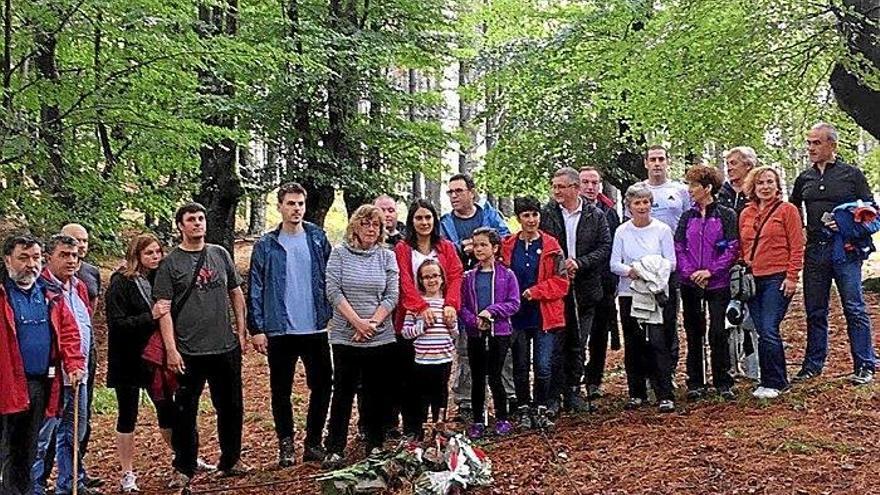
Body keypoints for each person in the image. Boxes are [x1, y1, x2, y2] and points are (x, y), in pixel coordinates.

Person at [154, 202, 249, 488]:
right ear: (180, 226)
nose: (197, 223)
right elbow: (163, 309)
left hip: (225, 346)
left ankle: (231, 459)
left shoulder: (219, 254)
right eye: (191, 220)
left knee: (231, 406)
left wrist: (241, 329)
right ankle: (184, 466)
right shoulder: (171, 263)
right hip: (188, 351)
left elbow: (235, 292)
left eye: (201, 218)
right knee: (185, 411)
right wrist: (171, 349)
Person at [248, 182, 333, 467]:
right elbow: (256, 286)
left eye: (300, 204)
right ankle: (285, 444)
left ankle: (313, 442)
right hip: (280, 328)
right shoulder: (266, 245)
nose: (296, 209)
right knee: (281, 390)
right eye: (290, 204)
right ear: (280, 206)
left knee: (323, 385)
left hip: (315, 327)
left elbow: (332, 277)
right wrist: (257, 328)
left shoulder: (317, 238)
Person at [789, 122, 876, 385]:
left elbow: (872, 210)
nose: (810, 148)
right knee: (815, 310)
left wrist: (849, 224)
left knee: (854, 307)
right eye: (809, 142)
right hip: (815, 251)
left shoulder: (851, 175)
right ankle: (812, 365)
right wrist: (800, 229)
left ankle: (865, 364)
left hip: (845, 250)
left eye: (816, 142)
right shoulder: (804, 178)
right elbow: (793, 208)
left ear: (832, 145)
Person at [0, 235, 84, 495]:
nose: (31, 264)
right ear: (7, 260)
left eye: (35, 258)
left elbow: (69, 332)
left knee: (27, 446)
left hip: (38, 383)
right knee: (5, 446)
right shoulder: (3, 293)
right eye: (23, 258)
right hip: (5, 382)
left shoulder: (49, 294)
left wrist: (74, 363)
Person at [323, 205, 399, 468]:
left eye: (376, 225)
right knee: (343, 392)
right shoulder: (339, 254)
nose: (371, 229)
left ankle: (375, 443)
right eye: (366, 223)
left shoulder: (387, 256)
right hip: (346, 336)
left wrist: (372, 324)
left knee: (376, 391)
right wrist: (357, 323)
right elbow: (333, 291)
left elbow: (392, 295)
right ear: (355, 226)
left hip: (380, 336)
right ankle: (335, 447)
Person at [438, 173, 513, 421]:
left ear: (472, 192)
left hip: (495, 297)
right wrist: (461, 247)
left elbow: (505, 239)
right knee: (466, 352)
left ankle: (506, 401)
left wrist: (480, 246)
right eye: (450, 192)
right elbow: (441, 251)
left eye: (459, 191)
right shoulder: (445, 223)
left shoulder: (490, 215)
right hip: (463, 291)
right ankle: (466, 402)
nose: (454, 196)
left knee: (501, 358)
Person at [105, 234, 176, 492]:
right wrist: (150, 316)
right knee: (128, 414)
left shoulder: (159, 279)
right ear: (136, 255)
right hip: (127, 359)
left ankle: (180, 457)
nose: (155, 257)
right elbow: (117, 323)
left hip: (155, 358)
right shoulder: (121, 283)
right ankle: (127, 472)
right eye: (149, 253)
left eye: (158, 252)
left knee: (167, 408)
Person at [540, 167, 612, 414]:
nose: (556, 191)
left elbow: (604, 247)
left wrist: (580, 263)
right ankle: (553, 395)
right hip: (555, 291)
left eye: (561, 186)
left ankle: (573, 390)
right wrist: (559, 267)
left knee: (578, 342)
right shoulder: (546, 214)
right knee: (556, 343)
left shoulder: (595, 215)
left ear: (575, 188)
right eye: (554, 186)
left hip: (585, 289)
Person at [393, 199, 463, 438]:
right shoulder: (403, 248)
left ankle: (438, 428)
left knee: (439, 383)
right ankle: (413, 429)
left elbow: (455, 276)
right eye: (419, 218)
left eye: (428, 217)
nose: (424, 222)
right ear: (411, 221)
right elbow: (403, 281)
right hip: (412, 316)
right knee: (411, 380)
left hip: (441, 318)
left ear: (434, 220)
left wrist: (451, 304)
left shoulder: (446, 247)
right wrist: (420, 307)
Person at [32, 235, 95, 495]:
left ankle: (69, 484)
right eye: (64, 255)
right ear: (49, 257)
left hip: (79, 373)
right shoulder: (40, 288)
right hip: (52, 375)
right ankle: (33, 486)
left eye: (74, 255)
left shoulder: (79, 286)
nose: (71, 260)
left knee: (74, 433)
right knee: (41, 436)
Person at [501, 197, 569, 429]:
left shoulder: (552, 246)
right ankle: (523, 408)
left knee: (543, 365)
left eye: (534, 215)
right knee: (520, 365)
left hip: (544, 314)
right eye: (526, 215)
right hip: (517, 315)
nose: (531, 220)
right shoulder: (508, 245)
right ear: (518, 218)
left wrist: (536, 291)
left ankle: (541, 406)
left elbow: (562, 282)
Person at [675, 165, 739, 401]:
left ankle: (723, 380)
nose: (690, 190)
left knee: (718, 332)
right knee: (694, 332)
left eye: (694, 185)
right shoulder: (687, 216)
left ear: (708, 188)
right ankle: (696, 381)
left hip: (718, 283)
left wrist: (710, 271)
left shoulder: (726, 214)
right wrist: (691, 272)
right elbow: (679, 246)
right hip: (691, 283)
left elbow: (732, 248)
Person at [611, 185, 677, 413]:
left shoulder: (662, 230)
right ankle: (636, 393)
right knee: (634, 342)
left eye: (645, 202)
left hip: (655, 293)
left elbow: (671, 262)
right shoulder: (622, 231)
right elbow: (614, 264)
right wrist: (632, 271)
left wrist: (652, 269)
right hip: (630, 292)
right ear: (629, 207)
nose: (642, 207)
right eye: (637, 203)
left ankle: (664, 393)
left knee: (659, 342)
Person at [740, 166, 805, 399]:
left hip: (777, 277)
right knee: (761, 330)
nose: (765, 187)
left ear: (777, 186)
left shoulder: (788, 210)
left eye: (770, 182)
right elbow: (743, 246)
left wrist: (792, 276)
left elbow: (797, 246)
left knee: (769, 328)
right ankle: (766, 379)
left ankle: (776, 381)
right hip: (752, 279)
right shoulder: (746, 213)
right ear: (753, 187)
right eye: (760, 183)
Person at [632, 145, 690, 373]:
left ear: (667, 162)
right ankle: (648, 372)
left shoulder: (680, 191)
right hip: (644, 267)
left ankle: (669, 369)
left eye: (661, 159)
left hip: (671, 264)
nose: (657, 164)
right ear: (645, 163)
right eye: (653, 159)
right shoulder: (638, 191)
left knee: (668, 318)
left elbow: (689, 223)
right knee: (644, 319)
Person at [55, 223, 103, 490]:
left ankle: (73, 479)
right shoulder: (45, 286)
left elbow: (88, 313)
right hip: (57, 369)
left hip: (82, 363)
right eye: (66, 253)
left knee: (78, 427)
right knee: (53, 430)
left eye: (82, 244)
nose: (74, 256)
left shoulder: (83, 281)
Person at [460, 227, 520, 438]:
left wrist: (491, 312)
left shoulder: (507, 275)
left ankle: (502, 417)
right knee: (477, 377)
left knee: (495, 375)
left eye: (483, 245)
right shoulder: (468, 277)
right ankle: (478, 419)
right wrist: (474, 320)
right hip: (475, 333)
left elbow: (514, 303)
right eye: (475, 245)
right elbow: (462, 306)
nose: (478, 249)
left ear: (495, 248)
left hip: (499, 333)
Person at [400, 260, 458, 439]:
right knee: (421, 396)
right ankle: (420, 429)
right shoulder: (415, 305)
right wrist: (421, 327)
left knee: (440, 395)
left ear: (442, 278)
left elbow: (455, 333)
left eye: (435, 276)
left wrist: (451, 325)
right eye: (426, 277)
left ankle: (439, 427)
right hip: (423, 360)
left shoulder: (447, 304)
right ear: (420, 280)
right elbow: (405, 332)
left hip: (444, 358)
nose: (431, 280)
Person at [579, 166, 622, 398]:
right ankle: (573, 379)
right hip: (578, 280)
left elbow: (614, 247)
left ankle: (594, 380)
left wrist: (613, 281)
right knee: (577, 334)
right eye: (585, 182)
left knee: (599, 333)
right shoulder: (568, 211)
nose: (590, 187)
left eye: (594, 182)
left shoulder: (609, 212)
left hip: (604, 282)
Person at [717, 147, 760, 381]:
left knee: (752, 315)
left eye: (734, 163)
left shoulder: (757, 192)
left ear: (748, 166)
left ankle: (754, 367)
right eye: (728, 163)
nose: (729, 168)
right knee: (728, 314)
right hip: (723, 261)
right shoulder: (720, 192)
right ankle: (730, 366)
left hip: (752, 261)